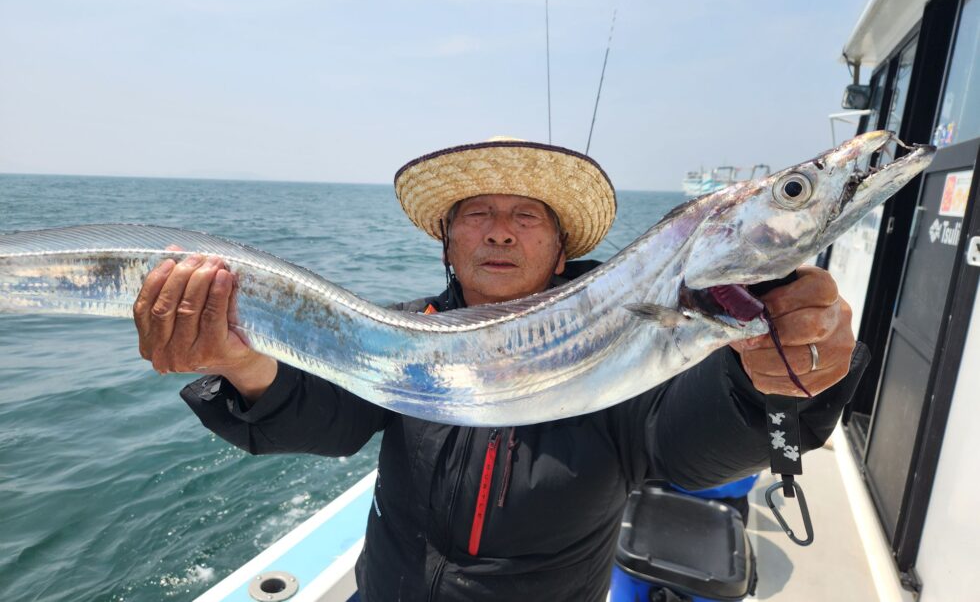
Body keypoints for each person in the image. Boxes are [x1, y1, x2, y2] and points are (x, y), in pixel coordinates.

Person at [133, 139, 865, 602]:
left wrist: (772, 380)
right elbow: (329, 416)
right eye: (476, 211)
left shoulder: (623, 340)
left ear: (559, 250)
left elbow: (688, 444)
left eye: (528, 214)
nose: (500, 227)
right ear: (448, 243)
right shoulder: (410, 329)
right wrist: (242, 363)